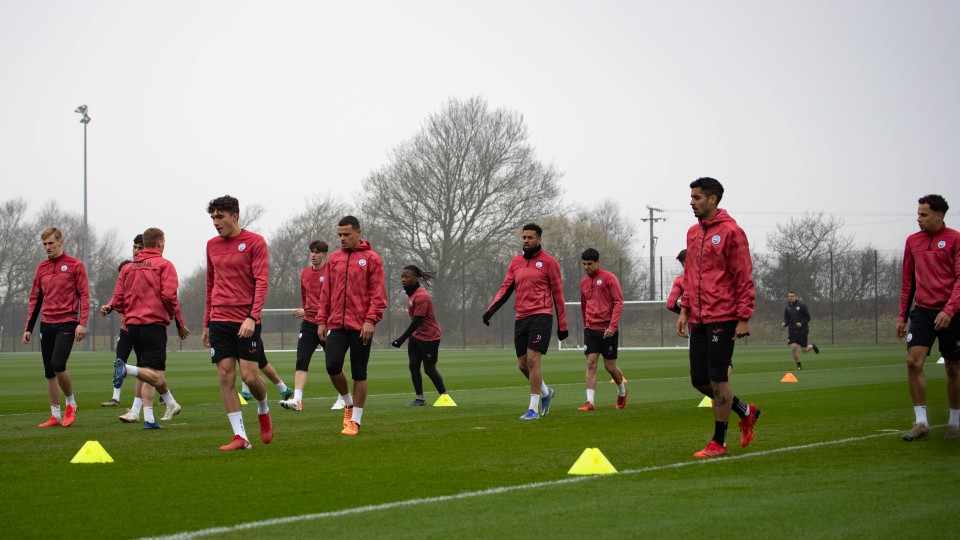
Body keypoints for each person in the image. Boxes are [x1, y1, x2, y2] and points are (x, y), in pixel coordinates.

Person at [675, 177, 761, 458]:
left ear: (712, 199)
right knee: (698, 379)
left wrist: (744, 316)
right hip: (698, 317)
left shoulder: (732, 232)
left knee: (717, 378)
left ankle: (719, 442)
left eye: (697, 197)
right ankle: (745, 411)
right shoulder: (692, 233)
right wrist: (685, 309)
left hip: (723, 315)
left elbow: (743, 275)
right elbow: (689, 276)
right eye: (691, 197)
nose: (691, 202)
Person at [202, 195, 273, 451]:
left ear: (235, 216)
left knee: (251, 377)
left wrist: (252, 317)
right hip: (219, 319)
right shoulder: (211, 245)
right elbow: (210, 285)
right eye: (212, 217)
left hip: (246, 319)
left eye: (220, 217)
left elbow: (261, 282)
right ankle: (240, 436)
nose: (215, 222)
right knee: (225, 376)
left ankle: (263, 410)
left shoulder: (255, 242)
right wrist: (207, 323)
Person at [483, 223, 568, 420]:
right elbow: (505, 288)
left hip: (541, 315)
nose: (526, 241)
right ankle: (547, 393)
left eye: (530, 238)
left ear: (539, 239)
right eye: (524, 238)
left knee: (532, 359)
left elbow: (558, 295)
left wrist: (562, 325)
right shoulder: (515, 262)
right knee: (522, 365)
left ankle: (533, 409)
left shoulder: (549, 263)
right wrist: (491, 310)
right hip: (521, 317)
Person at [109, 228, 189, 429]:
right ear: (160, 242)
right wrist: (173, 317)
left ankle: (155, 413)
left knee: (147, 371)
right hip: (153, 324)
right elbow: (170, 296)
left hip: (132, 325)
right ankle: (127, 370)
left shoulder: (127, 269)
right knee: (154, 373)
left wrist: (130, 310)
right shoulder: (164, 265)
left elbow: (117, 301)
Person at [897, 194, 960, 441]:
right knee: (913, 362)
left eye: (924, 214)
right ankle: (921, 422)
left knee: (954, 368)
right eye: (918, 214)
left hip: (952, 312)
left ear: (939, 215)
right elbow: (908, 282)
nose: (919, 219)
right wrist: (903, 315)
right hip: (923, 311)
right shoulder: (913, 242)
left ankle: (955, 424)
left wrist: (949, 310)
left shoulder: (955, 239)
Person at [316, 216, 387, 436]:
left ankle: (355, 420)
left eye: (346, 234)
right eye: (339, 235)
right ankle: (348, 403)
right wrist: (321, 320)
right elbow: (325, 292)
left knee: (359, 373)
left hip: (361, 326)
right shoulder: (335, 259)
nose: (342, 238)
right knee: (332, 365)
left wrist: (370, 320)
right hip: (336, 323)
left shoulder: (372, 259)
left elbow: (378, 295)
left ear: (358, 232)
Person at [22, 227, 89, 428]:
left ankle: (71, 404)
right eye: (44, 244)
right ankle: (55, 415)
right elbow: (36, 298)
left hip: (67, 323)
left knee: (58, 364)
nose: (47, 247)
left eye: (51, 243)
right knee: (49, 371)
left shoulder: (75, 265)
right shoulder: (41, 268)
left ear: (61, 242)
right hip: (46, 324)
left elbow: (85, 296)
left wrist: (82, 323)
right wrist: (29, 327)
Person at [280, 240, 330, 412]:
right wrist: (307, 310)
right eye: (312, 252)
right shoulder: (305, 273)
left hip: (326, 323)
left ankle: (343, 398)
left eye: (317, 252)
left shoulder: (330, 273)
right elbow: (305, 297)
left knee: (333, 363)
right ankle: (298, 400)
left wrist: (307, 309)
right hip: (308, 323)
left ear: (325, 254)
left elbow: (331, 301)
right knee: (302, 360)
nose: (313, 255)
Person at [576, 248, 626, 411]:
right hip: (591, 329)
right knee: (591, 364)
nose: (586, 267)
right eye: (584, 264)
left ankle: (622, 391)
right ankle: (590, 402)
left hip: (607, 330)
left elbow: (618, 302)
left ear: (597, 262)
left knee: (610, 367)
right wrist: (586, 324)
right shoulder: (583, 282)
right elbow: (584, 305)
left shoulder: (609, 278)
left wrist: (612, 326)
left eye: (589, 264)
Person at [391, 265, 448, 406]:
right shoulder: (411, 294)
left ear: (415, 278)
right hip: (416, 337)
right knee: (413, 366)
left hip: (429, 337)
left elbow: (417, 321)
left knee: (429, 369)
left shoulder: (422, 296)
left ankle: (445, 397)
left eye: (407, 277)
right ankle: (420, 399)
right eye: (402, 277)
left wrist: (401, 339)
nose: (403, 279)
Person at [100, 234, 144, 407]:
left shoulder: (148, 271)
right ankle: (116, 398)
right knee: (120, 362)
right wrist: (109, 307)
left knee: (146, 366)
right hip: (127, 328)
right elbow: (117, 296)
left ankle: (162, 393)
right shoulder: (127, 272)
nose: (136, 251)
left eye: (140, 247)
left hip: (143, 328)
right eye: (135, 247)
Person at [782, 291, 819, 370]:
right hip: (792, 331)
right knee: (793, 347)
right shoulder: (787, 308)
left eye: (792, 296)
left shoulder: (802, 306)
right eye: (789, 296)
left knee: (804, 350)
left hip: (802, 331)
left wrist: (801, 324)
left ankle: (812, 346)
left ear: (796, 297)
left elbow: (807, 317)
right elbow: (787, 319)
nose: (790, 298)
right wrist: (785, 323)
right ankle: (799, 365)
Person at [666, 249, 686, 315]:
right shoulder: (710, 277)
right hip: (715, 319)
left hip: (694, 322)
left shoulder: (680, 281)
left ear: (683, 263)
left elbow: (670, 305)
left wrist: (685, 315)